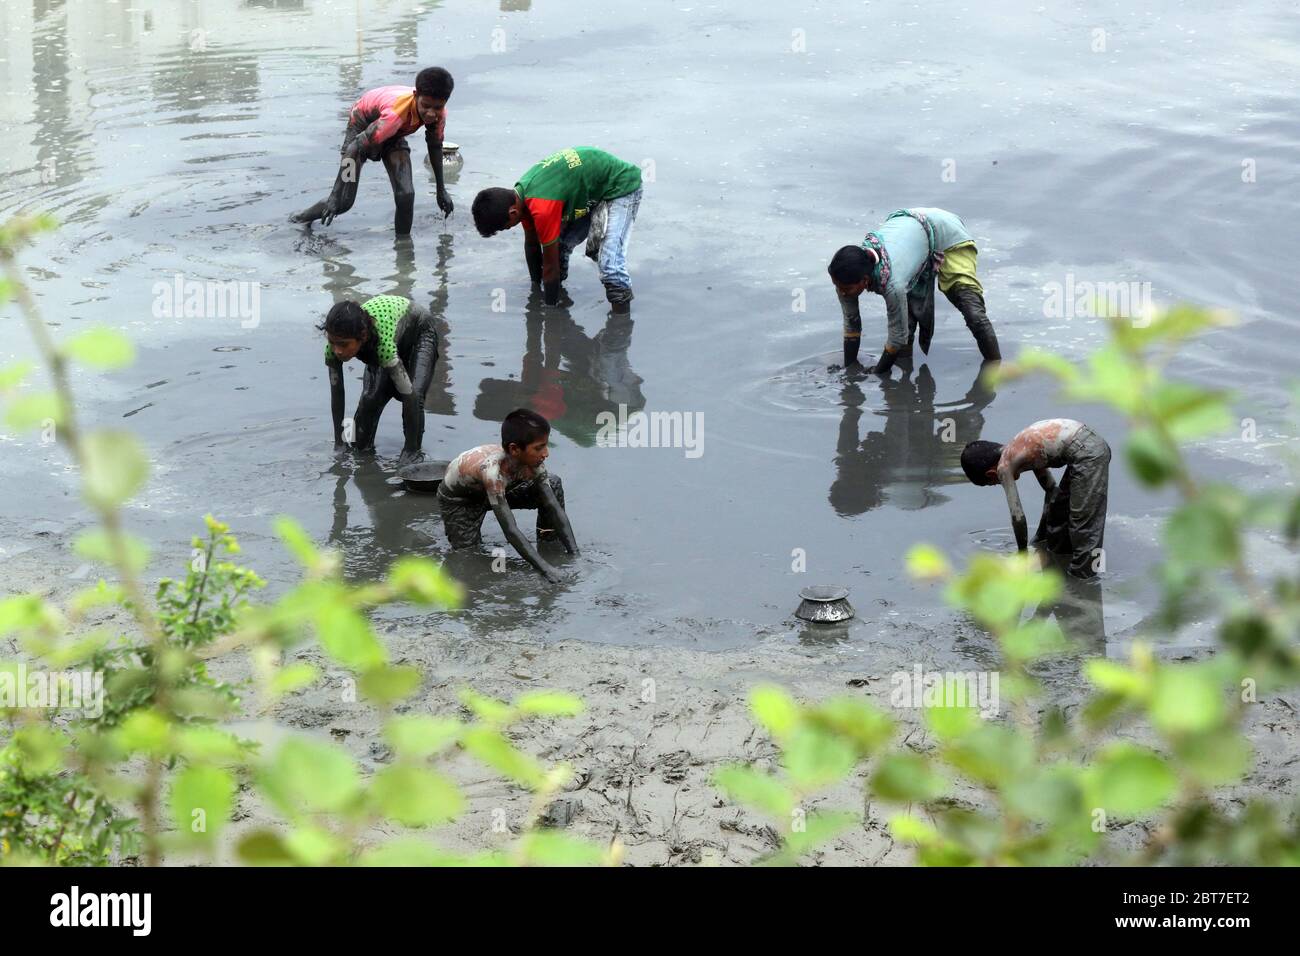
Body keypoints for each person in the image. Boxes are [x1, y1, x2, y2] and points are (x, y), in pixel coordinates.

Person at [827, 207, 1000, 376]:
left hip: (946, 233)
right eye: (838, 287)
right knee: (907, 325)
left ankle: (997, 368)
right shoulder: (845, 275)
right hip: (911, 238)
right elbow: (851, 324)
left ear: (865, 280)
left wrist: (877, 372)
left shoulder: (893, 283)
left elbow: (896, 337)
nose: (842, 293)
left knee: (972, 311)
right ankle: (905, 383)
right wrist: (850, 370)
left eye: (846, 289)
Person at [470, 147, 643, 312]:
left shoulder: (542, 207)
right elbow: (531, 245)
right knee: (558, 248)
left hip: (620, 186)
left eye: (503, 227)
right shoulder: (521, 196)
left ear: (512, 212)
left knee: (609, 265)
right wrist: (536, 288)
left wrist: (548, 312)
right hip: (590, 189)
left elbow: (550, 266)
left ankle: (620, 326)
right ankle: (557, 296)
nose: (506, 229)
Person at [291, 67, 455, 235]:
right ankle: (299, 219)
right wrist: (335, 195)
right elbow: (354, 148)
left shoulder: (439, 114)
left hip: (395, 132)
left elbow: (435, 146)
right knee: (343, 202)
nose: (431, 113)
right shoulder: (394, 116)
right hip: (364, 124)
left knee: (406, 194)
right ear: (415, 96)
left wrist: (441, 190)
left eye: (437, 107)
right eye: (426, 106)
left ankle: (404, 251)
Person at [437, 409, 578, 582]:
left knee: (553, 483)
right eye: (539, 448)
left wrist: (575, 554)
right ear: (515, 449)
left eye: (545, 445)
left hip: (501, 489)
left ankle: (548, 540)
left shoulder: (532, 463)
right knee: (467, 556)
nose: (546, 453)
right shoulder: (492, 472)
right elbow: (510, 530)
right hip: (463, 501)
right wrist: (545, 569)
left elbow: (553, 507)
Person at [960, 419, 1111, 579]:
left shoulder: (1004, 467)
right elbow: (1051, 490)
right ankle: (1061, 557)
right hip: (1084, 447)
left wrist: (1022, 554)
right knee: (1059, 512)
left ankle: (1084, 578)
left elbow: (1017, 518)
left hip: (1088, 455)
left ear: (991, 474)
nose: (999, 483)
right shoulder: (1022, 449)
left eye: (993, 483)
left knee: (1083, 523)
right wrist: (1040, 537)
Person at [321, 294, 438, 466]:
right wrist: (340, 443)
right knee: (370, 399)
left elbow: (409, 395)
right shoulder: (333, 348)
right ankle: (362, 454)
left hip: (420, 331)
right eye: (333, 342)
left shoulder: (383, 347)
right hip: (386, 337)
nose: (337, 350)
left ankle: (413, 451)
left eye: (344, 344)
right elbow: (337, 394)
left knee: (415, 391)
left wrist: (410, 450)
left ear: (362, 336)